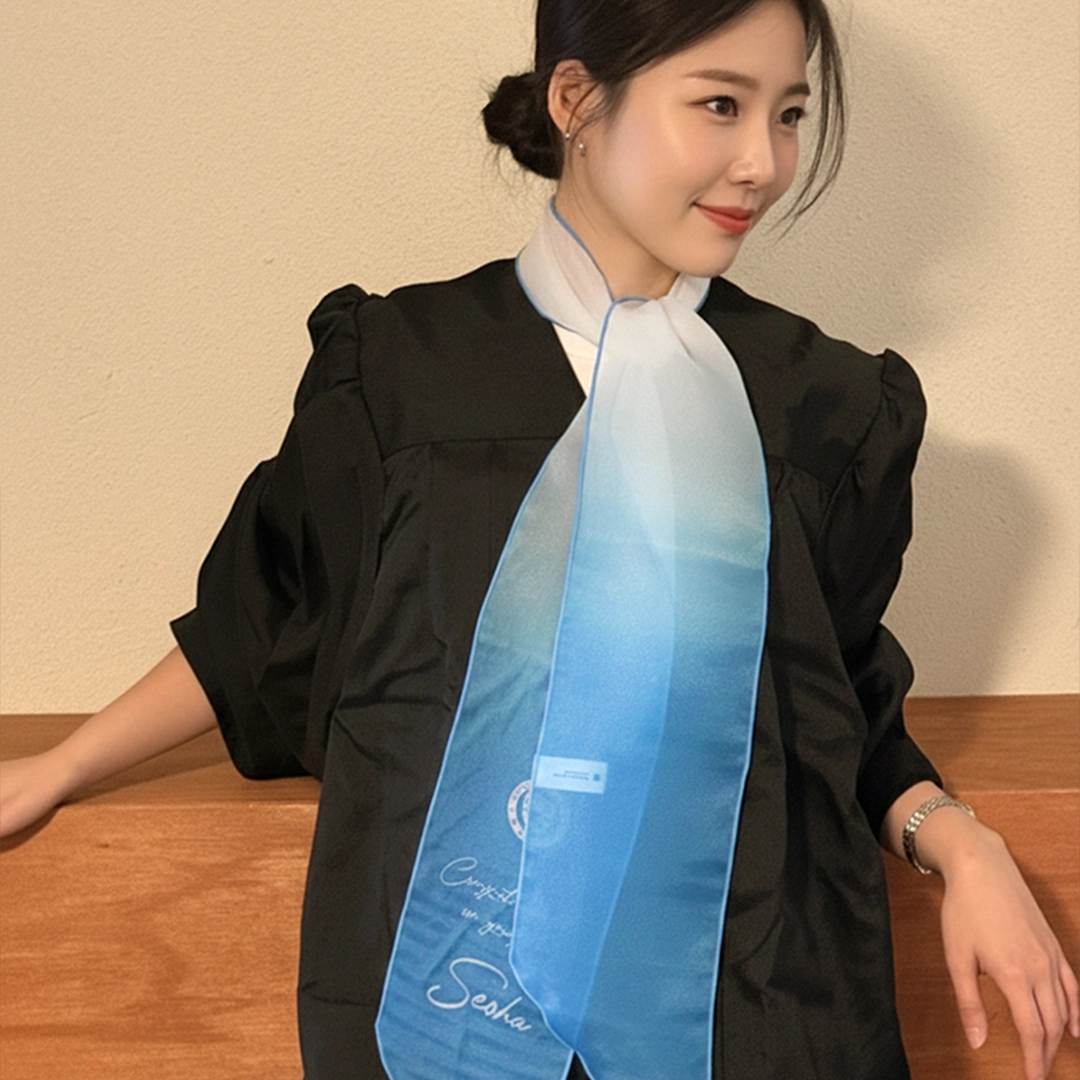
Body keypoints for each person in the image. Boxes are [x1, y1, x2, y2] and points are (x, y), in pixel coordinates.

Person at [1, 0, 1077, 1077]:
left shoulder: (824, 411)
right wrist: (61, 766)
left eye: (789, 114)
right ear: (575, 100)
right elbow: (266, 620)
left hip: (749, 1011)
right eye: (720, 105)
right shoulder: (398, 376)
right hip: (442, 1009)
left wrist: (961, 842)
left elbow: (834, 701)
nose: (762, 161)